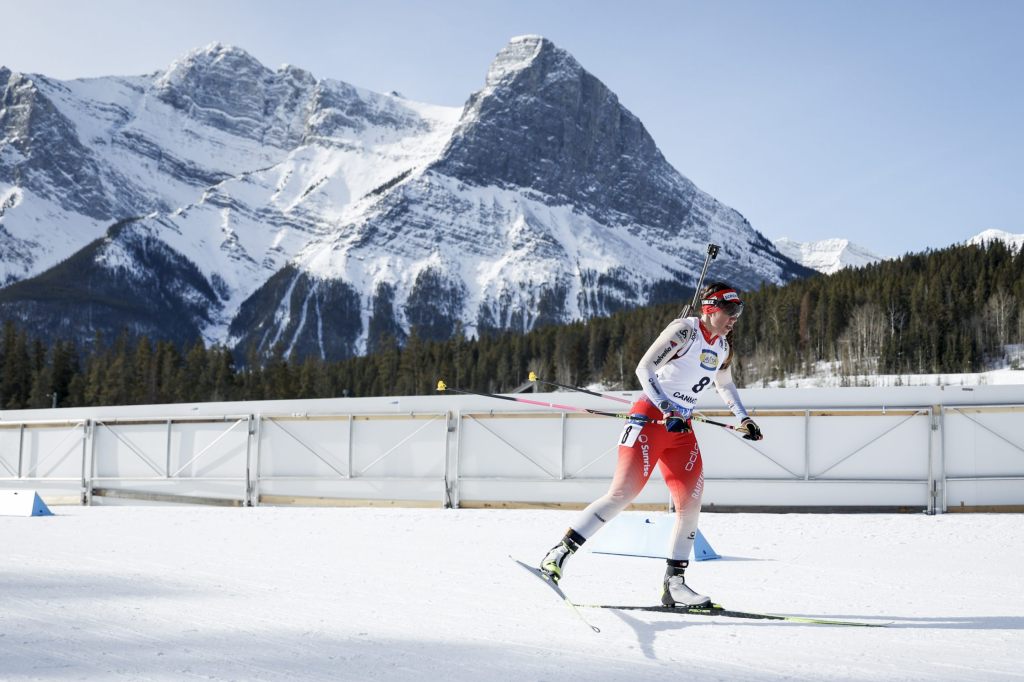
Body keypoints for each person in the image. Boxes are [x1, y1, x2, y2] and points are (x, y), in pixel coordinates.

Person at [539, 282, 763, 607]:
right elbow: (643, 369)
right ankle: (558, 554)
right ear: (711, 308)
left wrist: (745, 419)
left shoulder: (724, 347)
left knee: (690, 505)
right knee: (622, 494)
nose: (735, 318)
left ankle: (675, 584)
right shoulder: (684, 331)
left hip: (680, 426)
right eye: (731, 311)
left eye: (739, 312)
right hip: (651, 418)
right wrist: (668, 408)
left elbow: (725, 385)